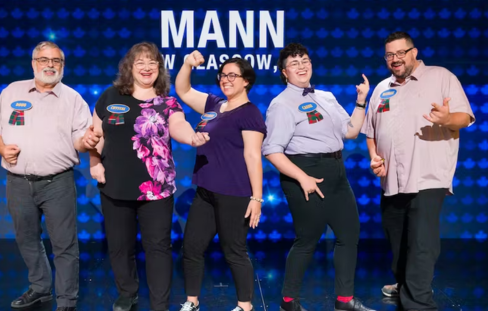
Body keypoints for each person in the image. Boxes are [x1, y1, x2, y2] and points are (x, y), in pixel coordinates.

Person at [89, 42, 209, 311]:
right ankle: (127, 293)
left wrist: (192, 137)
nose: (146, 67)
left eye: (152, 62)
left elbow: (179, 125)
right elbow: (95, 134)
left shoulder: (167, 102)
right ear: (129, 67)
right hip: (114, 186)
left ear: (159, 69)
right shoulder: (109, 96)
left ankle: (159, 304)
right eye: (140, 62)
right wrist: (94, 162)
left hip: (156, 189)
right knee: (120, 247)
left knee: (158, 248)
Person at [361, 32, 475, 311]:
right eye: (389, 55)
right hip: (392, 180)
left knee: (422, 242)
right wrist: (374, 157)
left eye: (401, 53)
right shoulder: (381, 88)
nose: (395, 59)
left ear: (414, 52)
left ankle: (420, 303)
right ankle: (405, 285)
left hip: (428, 175)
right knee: (397, 240)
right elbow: (371, 131)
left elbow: (464, 117)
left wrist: (447, 119)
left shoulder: (440, 77)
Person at [262, 43, 375, 311]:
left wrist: (361, 101)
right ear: (284, 72)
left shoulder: (325, 96)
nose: (301, 66)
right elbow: (272, 151)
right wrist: (303, 178)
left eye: (305, 60)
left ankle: (345, 299)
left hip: (336, 171)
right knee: (308, 239)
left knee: (349, 235)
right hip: (303, 172)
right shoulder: (281, 104)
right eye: (294, 63)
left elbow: (350, 132)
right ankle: (289, 301)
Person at [0, 41, 97, 311]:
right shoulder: (12, 91)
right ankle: (39, 288)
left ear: (63, 66)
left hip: (57, 182)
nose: (50, 65)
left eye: (56, 61)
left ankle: (67, 301)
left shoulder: (73, 99)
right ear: (34, 63)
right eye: (44, 60)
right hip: (18, 183)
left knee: (64, 244)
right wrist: (1, 147)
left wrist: (88, 141)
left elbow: (79, 142)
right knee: (26, 238)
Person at [174, 52, 266, 311]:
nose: (226, 80)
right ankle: (192, 302)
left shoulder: (250, 114)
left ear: (246, 80)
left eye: (233, 75)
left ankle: (245, 306)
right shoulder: (214, 104)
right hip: (205, 190)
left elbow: (252, 155)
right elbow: (183, 89)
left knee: (234, 252)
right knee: (191, 247)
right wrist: (187, 64)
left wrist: (256, 198)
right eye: (223, 75)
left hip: (234, 194)